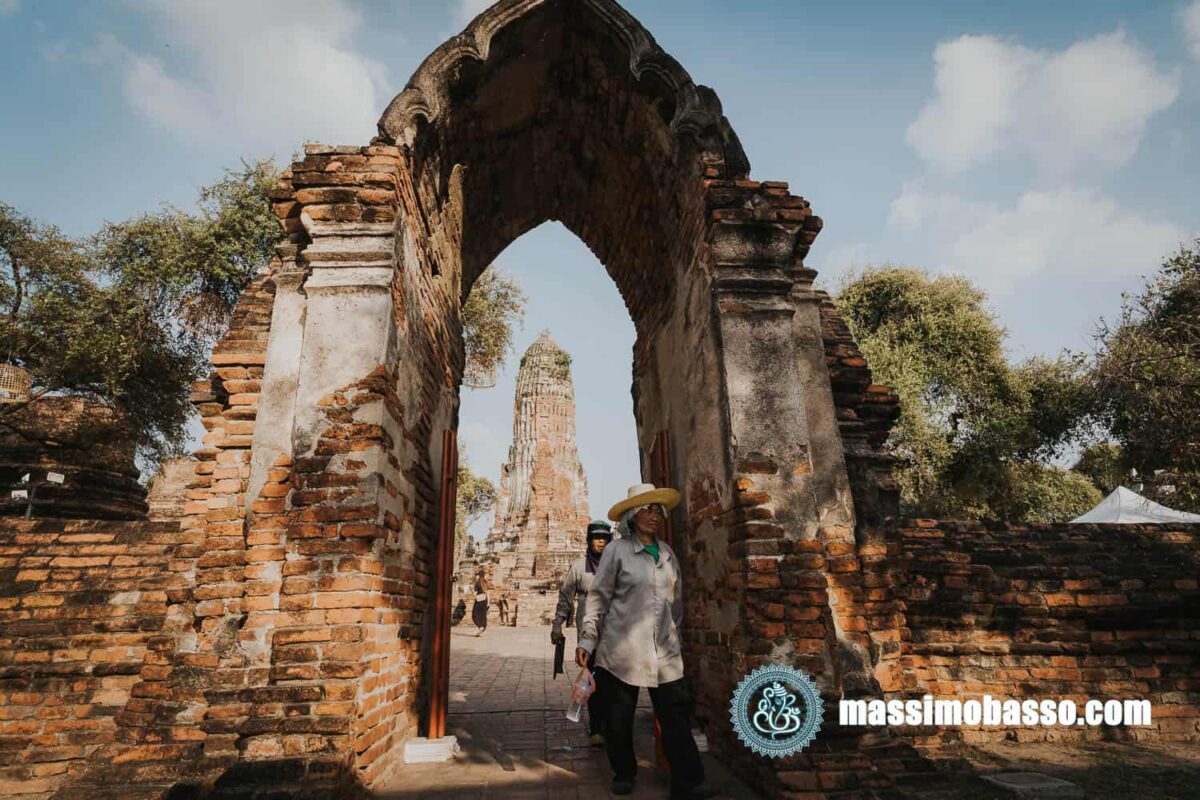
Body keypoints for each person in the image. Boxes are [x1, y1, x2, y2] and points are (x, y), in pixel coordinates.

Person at [577, 483, 707, 799]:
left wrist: (671, 631)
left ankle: (687, 781)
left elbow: (676, 602)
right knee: (619, 717)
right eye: (646, 510)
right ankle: (624, 772)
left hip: (663, 648)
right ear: (632, 517)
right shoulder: (617, 551)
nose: (653, 515)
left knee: (675, 714)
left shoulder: (667, 553)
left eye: (657, 510)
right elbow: (599, 597)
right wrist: (587, 639)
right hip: (623, 647)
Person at [553, 519, 614, 747]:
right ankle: (597, 726)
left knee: (614, 680)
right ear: (589, 541)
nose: (600, 542)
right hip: (589, 632)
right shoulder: (579, 567)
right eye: (596, 538)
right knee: (594, 678)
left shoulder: (617, 565)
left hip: (616, 630)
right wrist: (557, 625)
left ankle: (613, 724)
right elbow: (565, 598)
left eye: (604, 538)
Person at [471, 572, 489, 636]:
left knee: (474, 615)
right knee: (483, 616)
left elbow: (475, 595)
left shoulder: (477, 584)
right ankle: (482, 627)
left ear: (479, 576)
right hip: (485, 601)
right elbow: (488, 594)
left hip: (478, 601)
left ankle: (480, 626)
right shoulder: (485, 583)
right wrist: (488, 603)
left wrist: (472, 591)